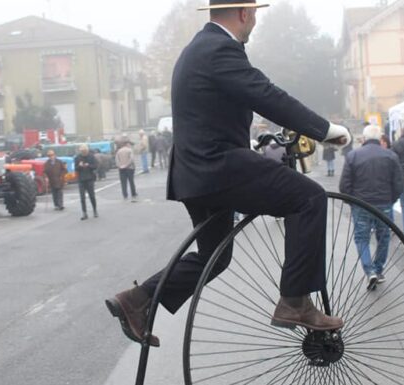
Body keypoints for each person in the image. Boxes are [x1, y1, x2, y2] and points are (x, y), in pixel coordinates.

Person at [105, 0, 351, 347]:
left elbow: (212, 114)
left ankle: (139, 300)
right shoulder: (220, 49)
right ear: (243, 13)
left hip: (194, 172)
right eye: (254, 15)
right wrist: (325, 129)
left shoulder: (199, 49)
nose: (254, 22)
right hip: (216, 166)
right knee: (309, 197)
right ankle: (295, 301)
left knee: (215, 257)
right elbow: (267, 96)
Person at [339, 125, 403, 290]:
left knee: (362, 238)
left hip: (361, 203)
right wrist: (391, 199)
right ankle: (378, 269)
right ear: (380, 137)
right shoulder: (390, 156)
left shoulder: (353, 155)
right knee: (383, 237)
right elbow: (398, 183)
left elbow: (345, 185)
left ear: (364, 138)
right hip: (384, 203)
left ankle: (369, 270)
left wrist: (351, 201)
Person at [74, 145, 98, 220]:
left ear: (87, 151)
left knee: (92, 196)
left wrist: (89, 165)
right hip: (81, 180)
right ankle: (84, 213)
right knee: (82, 198)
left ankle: (95, 210)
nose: (84, 152)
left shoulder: (91, 157)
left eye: (85, 151)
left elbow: (95, 166)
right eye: (82, 151)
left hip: (90, 178)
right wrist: (80, 166)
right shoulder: (77, 158)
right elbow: (75, 168)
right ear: (80, 151)